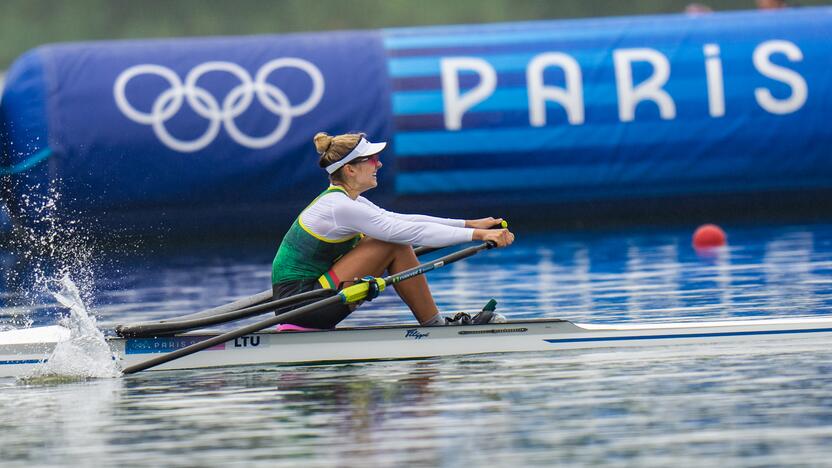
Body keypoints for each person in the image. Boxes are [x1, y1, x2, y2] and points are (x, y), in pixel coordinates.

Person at [271, 132, 514, 329]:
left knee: (394, 236)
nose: (379, 163)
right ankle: (435, 327)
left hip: (309, 298)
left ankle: (434, 324)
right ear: (350, 169)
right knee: (391, 241)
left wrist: (469, 224)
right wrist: (480, 236)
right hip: (303, 304)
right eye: (371, 159)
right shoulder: (339, 206)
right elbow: (407, 232)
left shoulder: (349, 201)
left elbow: (403, 219)